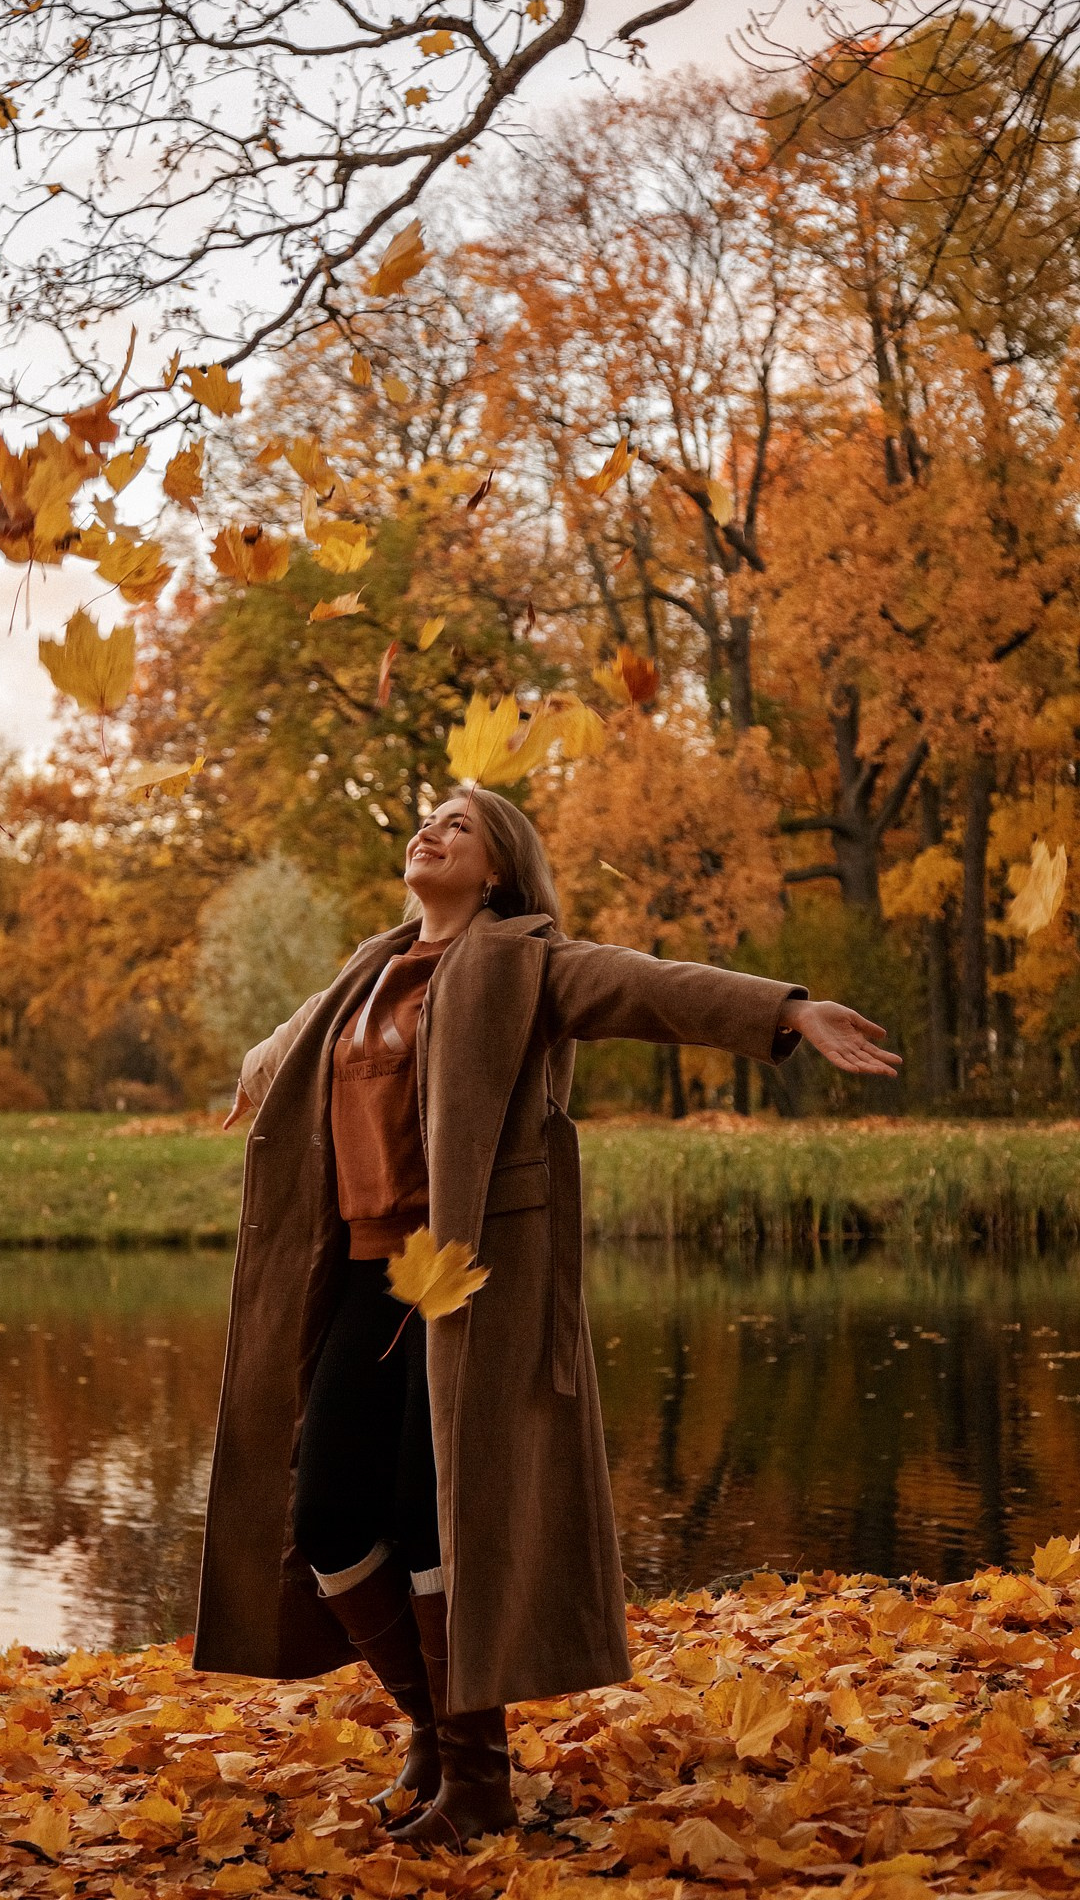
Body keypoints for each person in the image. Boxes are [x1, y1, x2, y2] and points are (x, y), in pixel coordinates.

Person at [193, 786, 900, 1850]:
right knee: (328, 1517)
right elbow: (283, 1050)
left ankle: (472, 1782)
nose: (429, 829)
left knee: (439, 1525)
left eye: (459, 825)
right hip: (363, 1282)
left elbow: (647, 988)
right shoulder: (364, 973)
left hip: (469, 1285)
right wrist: (255, 1082)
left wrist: (784, 1011)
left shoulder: (521, 960)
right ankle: (433, 1735)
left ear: (496, 870)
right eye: (424, 818)